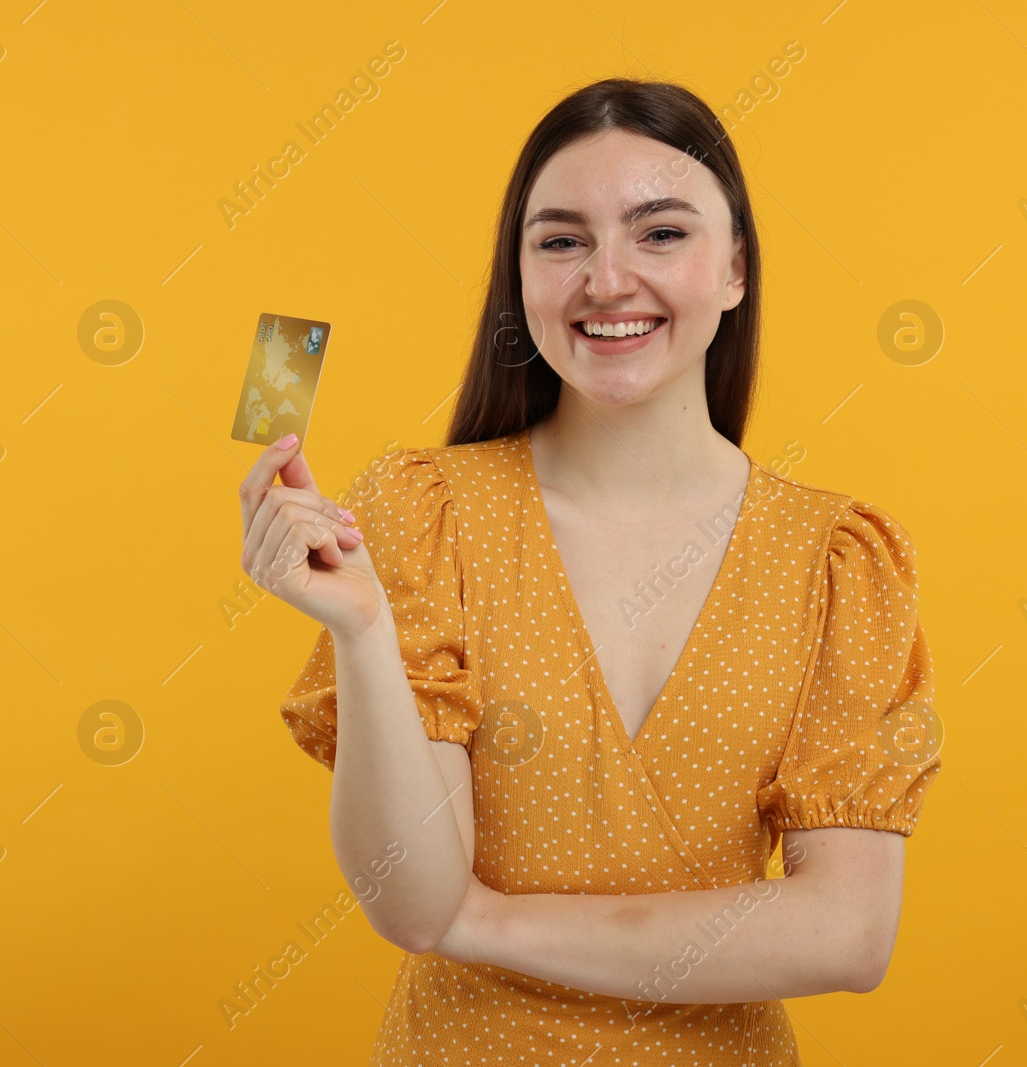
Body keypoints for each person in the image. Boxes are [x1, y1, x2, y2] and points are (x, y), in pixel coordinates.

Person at [236, 77, 942, 1065]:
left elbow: (846, 932)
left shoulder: (836, 559)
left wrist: (476, 922)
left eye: (660, 233)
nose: (607, 281)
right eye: (561, 241)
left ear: (735, 267)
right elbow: (407, 892)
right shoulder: (421, 511)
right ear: (517, 278)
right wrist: (361, 633)